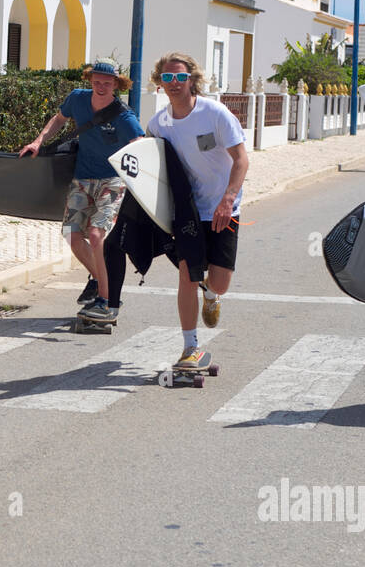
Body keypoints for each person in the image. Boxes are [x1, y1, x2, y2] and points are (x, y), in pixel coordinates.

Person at [146, 52, 249, 371]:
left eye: (179, 77)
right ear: (159, 82)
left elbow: (241, 159)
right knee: (187, 275)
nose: (173, 84)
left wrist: (228, 198)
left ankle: (213, 294)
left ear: (192, 79)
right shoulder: (157, 125)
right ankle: (190, 347)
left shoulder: (215, 114)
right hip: (188, 213)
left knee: (219, 282)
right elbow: (154, 171)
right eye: (167, 78)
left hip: (223, 207)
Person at [20, 60, 144, 322]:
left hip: (112, 179)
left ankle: (105, 300)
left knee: (97, 235)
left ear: (116, 84)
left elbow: (140, 147)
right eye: (97, 81)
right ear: (90, 80)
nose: (101, 87)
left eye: (107, 83)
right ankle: (101, 281)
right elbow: (59, 119)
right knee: (72, 234)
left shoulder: (124, 116)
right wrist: (39, 141)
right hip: (83, 177)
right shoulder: (77, 99)